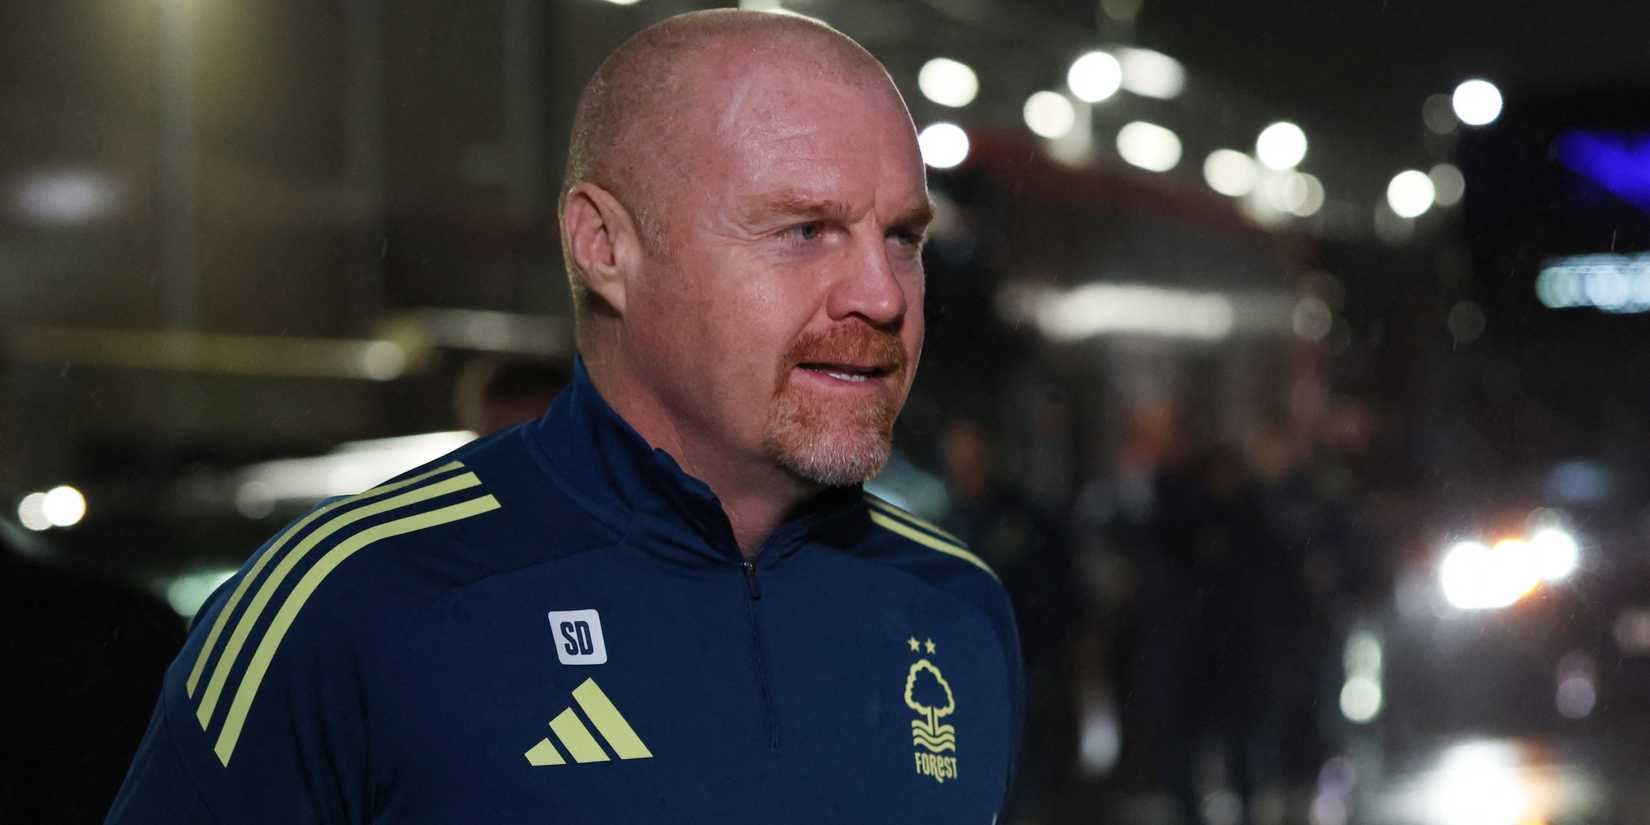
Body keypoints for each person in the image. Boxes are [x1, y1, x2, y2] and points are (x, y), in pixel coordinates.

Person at [108, 10, 1023, 823]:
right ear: (605, 248)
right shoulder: (349, 606)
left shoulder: (959, 612)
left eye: (902, 237)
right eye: (803, 230)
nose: (881, 293)